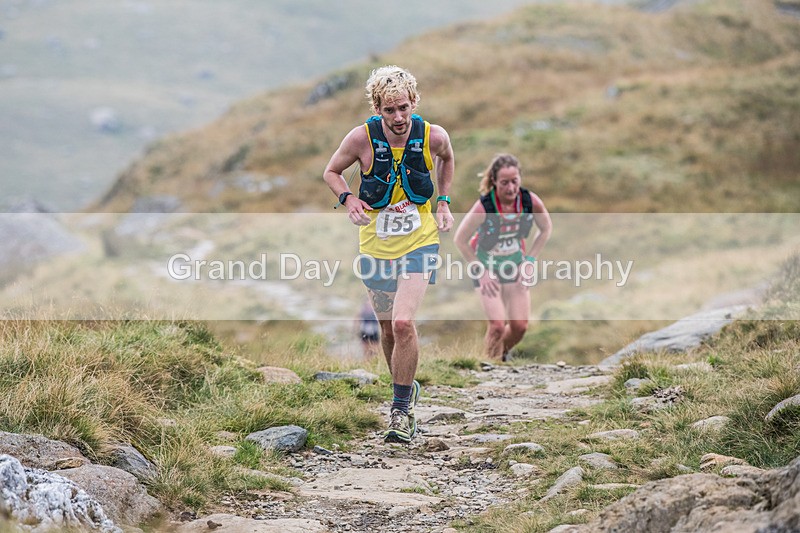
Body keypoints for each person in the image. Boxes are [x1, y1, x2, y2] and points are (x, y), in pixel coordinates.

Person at [323, 65, 455, 443]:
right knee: (384, 328)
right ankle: (404, 389)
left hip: (420, 240)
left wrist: (443, 202)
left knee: (401, 323)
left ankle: (400, 411)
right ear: (377, 108)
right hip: (376, 244)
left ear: (414, 102)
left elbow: (447, 158)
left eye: (404, 108)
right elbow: (331, 171)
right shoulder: (360, 139)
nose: (398, 118)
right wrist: (348, 199)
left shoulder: (433, 135)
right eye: (389, 110)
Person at [454, 153, 552, 362]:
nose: (510, 188)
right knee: (497, 325)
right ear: (494, 182)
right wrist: (481, 272)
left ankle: (498, 356)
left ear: (520, 179)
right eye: (504, 182)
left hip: (515, 266)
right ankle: (489, 368)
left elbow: (545, 229)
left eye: (514, 181)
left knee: (519, 327)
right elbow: (460, 240)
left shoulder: (529, 201)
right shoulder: (484, 207)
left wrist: (530, 261)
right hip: (486, 268)